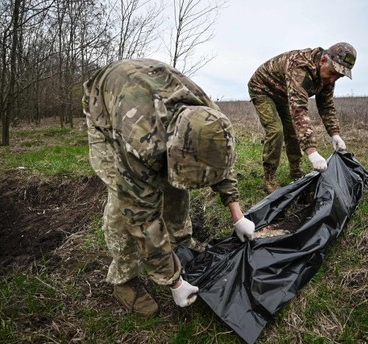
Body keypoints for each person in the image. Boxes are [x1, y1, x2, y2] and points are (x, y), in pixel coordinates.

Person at [82, 58, 256, 317]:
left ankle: (180, 241)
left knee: (176, 183)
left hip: (148, 96)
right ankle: (123, 279)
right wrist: (172, 281)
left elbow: (218, 163)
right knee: (121, 205)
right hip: (107, 109)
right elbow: (141, 215)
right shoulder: (138, 139)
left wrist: (237, 215)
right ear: (172, 148)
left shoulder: (209, 117)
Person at [247, 42, 356, 193]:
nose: (333, 80)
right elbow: (298, 109)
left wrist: (335, 134)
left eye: (339, 77)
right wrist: (312, 151)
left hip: (283, 93)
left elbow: (326, 106)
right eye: (332, 73)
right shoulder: (300, 66)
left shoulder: (328, 77)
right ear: (323, 60)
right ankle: (269, 178)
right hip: (263, 89)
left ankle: (295, 170)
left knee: (291, 130)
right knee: (276, 130)